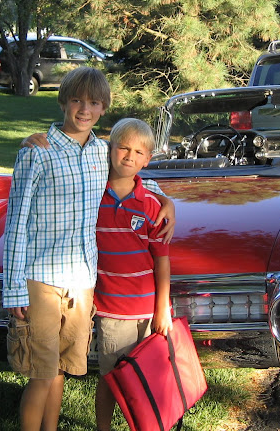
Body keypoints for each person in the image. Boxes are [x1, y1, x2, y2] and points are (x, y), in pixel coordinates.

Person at [3, 67, 175, 431]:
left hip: (82, 283)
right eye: (77, 100)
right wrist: (14, 288)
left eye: (94, 103)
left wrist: (166, 200)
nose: (85, 109)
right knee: (41, 373)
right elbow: (15, 223)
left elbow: (132, 174)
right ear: (63, 101)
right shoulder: (38, 152)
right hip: (42, 279)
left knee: (60, 370)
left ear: (103, 108)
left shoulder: (100, 151)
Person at [93, 118, 172, 431]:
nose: (129, 156)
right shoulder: (92, 198)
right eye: (123, 148)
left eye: (139, 152)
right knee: (111, 378)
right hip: (113, 310)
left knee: (146, 378)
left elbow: (162, 259)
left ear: (147, 159)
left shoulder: (152, 206)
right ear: (110, 149)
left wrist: (162, 309)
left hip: (148, 309)